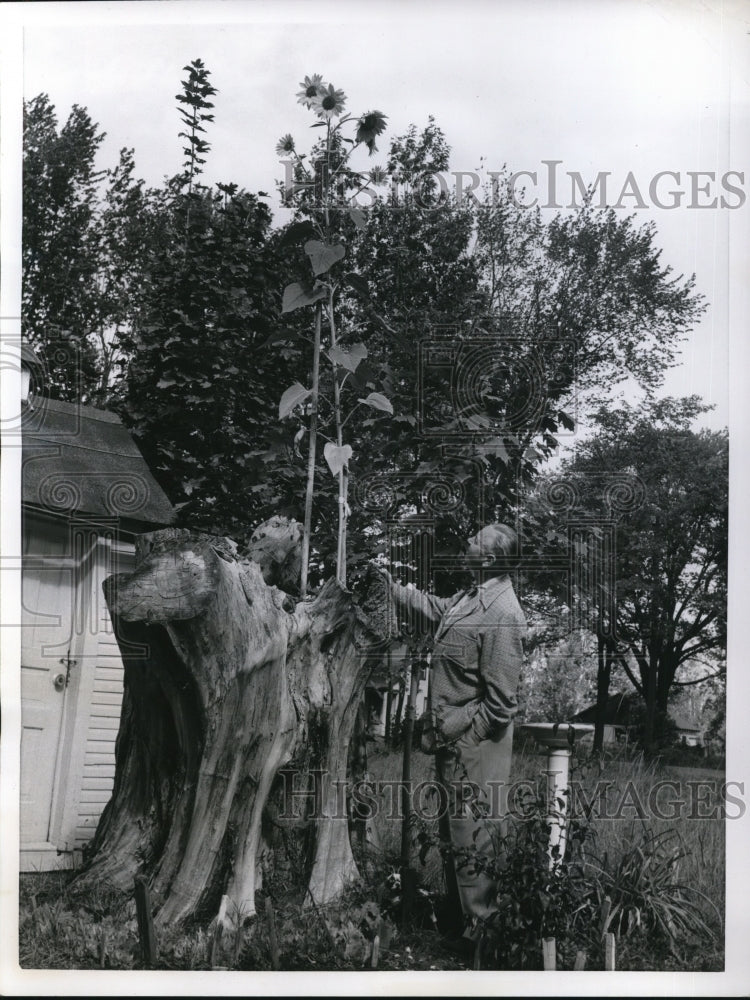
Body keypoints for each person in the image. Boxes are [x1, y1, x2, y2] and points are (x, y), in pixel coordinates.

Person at [377, 524, 527, 954]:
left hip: (475, 745)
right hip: (454, 739)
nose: (468, 542)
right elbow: (433, 607)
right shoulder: (471, 596)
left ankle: (483, 941)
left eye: (477, 540)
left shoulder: (504, 613)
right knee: (454, 835)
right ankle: (462, 927)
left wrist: (466, 739)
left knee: (474, 839)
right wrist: (393, 588)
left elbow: (502, 703)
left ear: (493, 559)